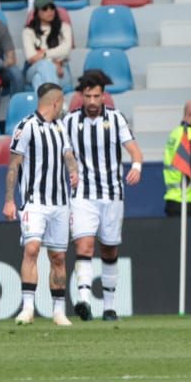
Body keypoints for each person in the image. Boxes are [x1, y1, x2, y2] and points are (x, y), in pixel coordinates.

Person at [64, 69, 141, 323]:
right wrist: (72, 170)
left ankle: (109, 307)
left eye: (97, 96)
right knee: (83, 245)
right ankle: (84, 301)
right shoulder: (70, 121)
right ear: (81, 96)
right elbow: (64, 153)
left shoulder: (116, 119)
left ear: (104, 96)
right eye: (88, 96)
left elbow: (134, 150)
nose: (93, 102)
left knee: (109, 249)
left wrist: (137, 167)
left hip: (112, 194)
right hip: (83, 194)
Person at [3, 82, 78, 326]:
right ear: (55, 103)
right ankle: (28, 307)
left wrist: (74, 171)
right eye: (62, 102)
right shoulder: (25, 127)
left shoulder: (61, 127)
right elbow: (14, 164)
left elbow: (68, 154)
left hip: (59, 202)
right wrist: (9, 200)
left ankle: (58, 310)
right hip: (34, 201)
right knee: (32, 249)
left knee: (58, 256)